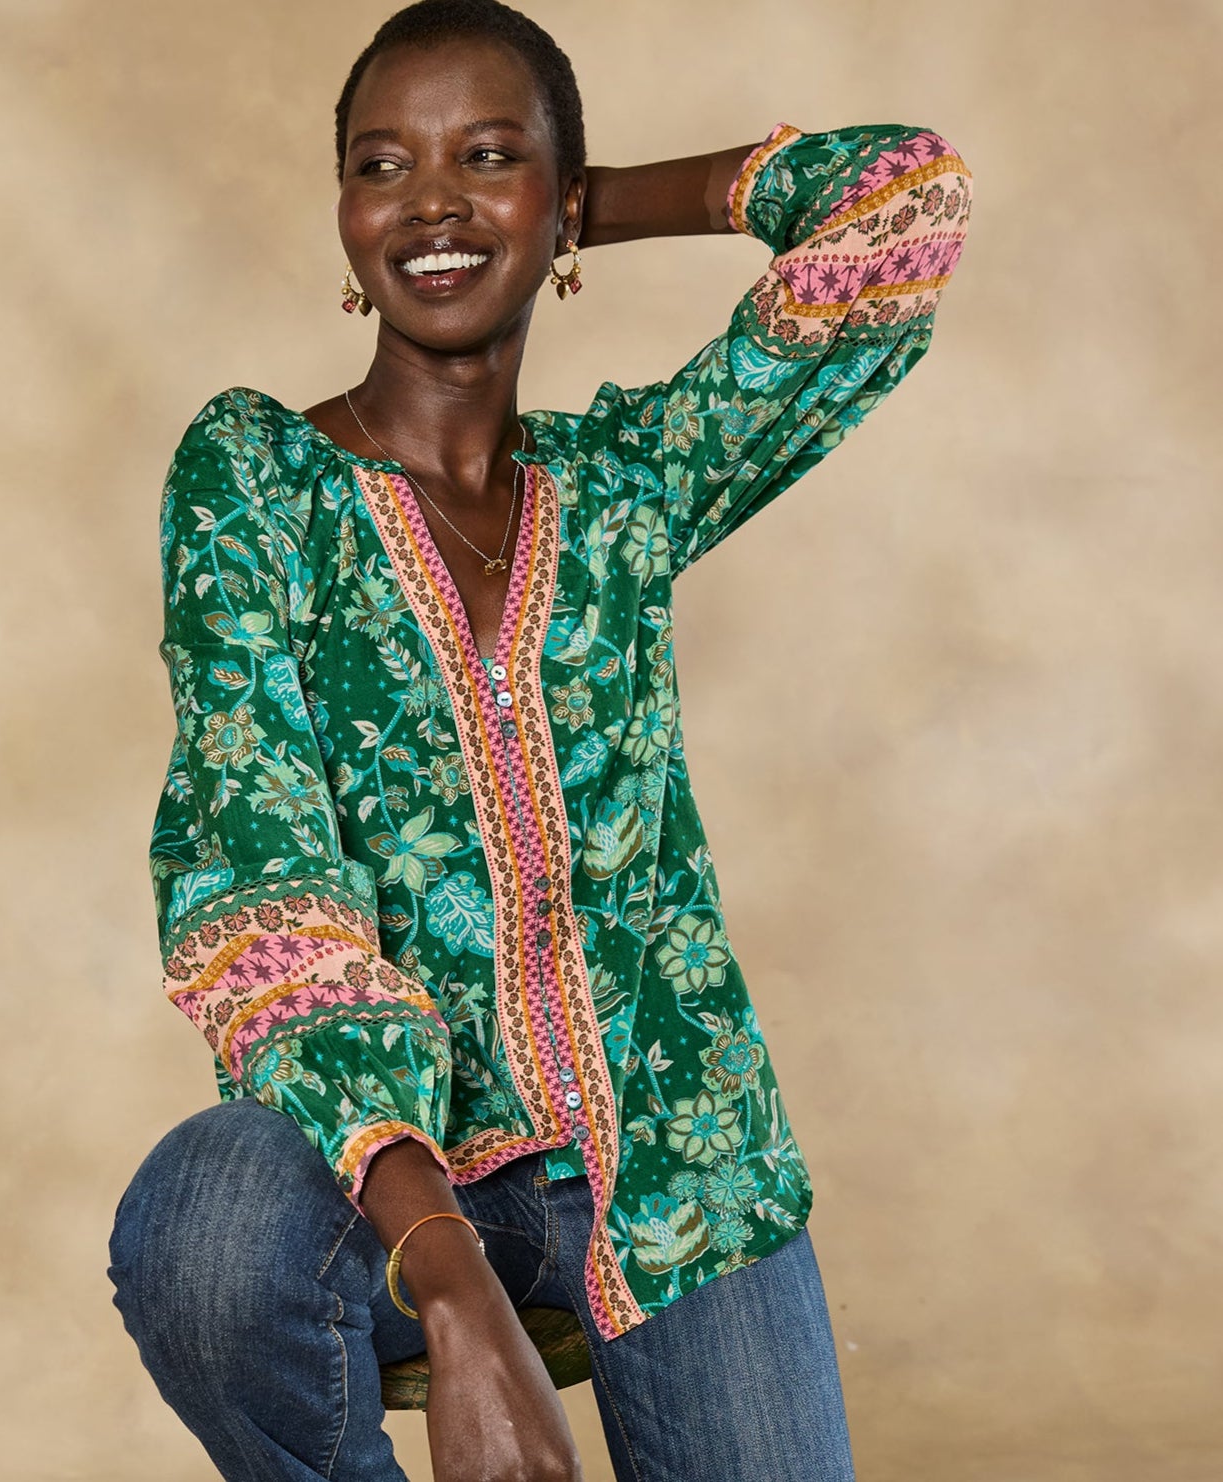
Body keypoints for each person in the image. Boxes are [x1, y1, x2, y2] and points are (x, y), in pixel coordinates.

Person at [108, 2, 972, 1478]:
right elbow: (257, 892)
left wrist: (585, 202)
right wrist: (449, 1285)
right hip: (394, 1178)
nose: (431, 203)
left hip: (677, 1170)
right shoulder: (257, 481)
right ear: (343, 216)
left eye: (487, 157)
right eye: (384, 166)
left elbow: (901, 201)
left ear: (558, 198)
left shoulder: (628, 486)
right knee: (206, 1220)